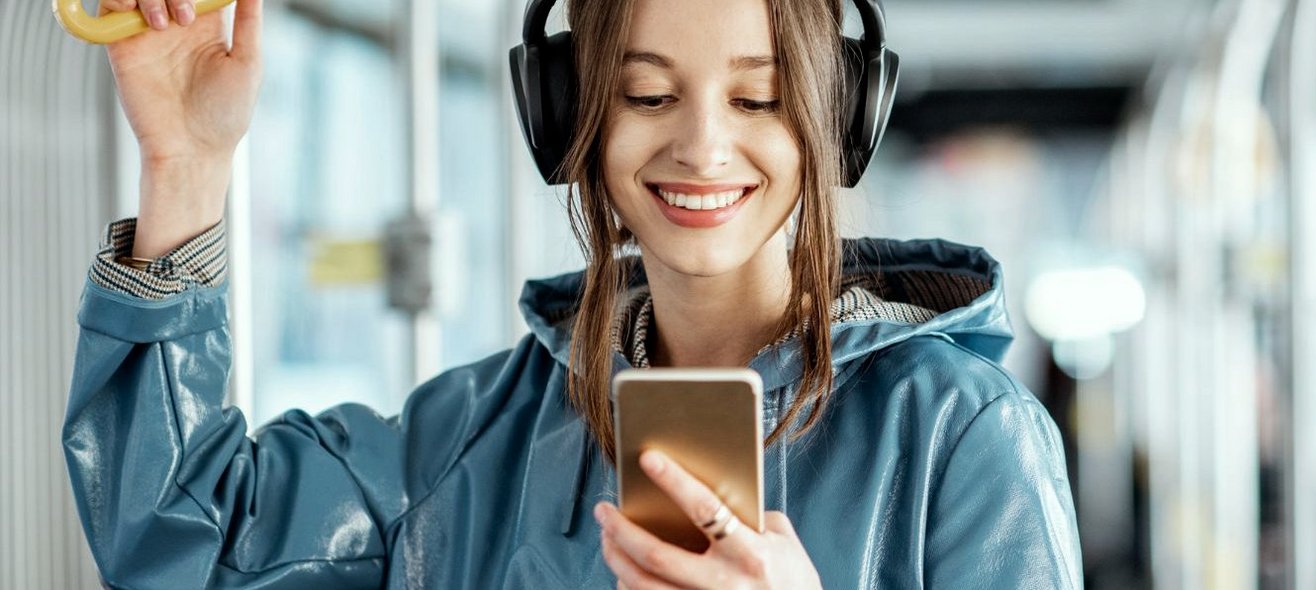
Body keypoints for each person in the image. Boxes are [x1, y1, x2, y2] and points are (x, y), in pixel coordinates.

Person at [62, 0, 1083, 587]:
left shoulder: (965, 439)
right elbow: (181, 538)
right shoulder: (476, 438)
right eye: (645, 94)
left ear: (835, 120)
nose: (701, 144)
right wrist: (186, 167)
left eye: (758, 97)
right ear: (569, 118)